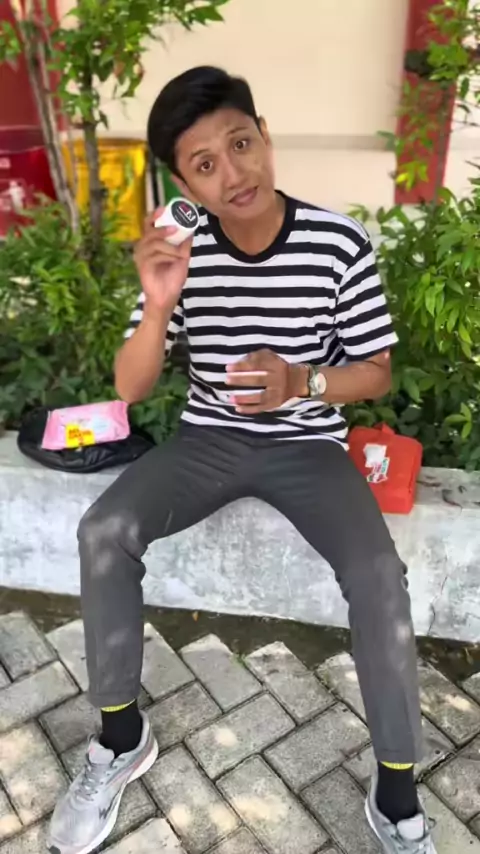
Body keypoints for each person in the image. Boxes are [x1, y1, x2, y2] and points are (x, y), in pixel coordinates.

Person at [48, 66, 435, 854]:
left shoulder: (338, 242)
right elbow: (130, 387)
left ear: (265, 135)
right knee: (103, 532)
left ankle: (397, 793)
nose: (233, 173)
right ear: (183, 184)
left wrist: (303, 382)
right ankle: (121, 739)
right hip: (210, 441)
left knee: (377, 575)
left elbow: (375, 371)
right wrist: (159, 302)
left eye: (240, 144)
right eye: (205, 164)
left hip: (308, 445)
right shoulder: (182, 253)